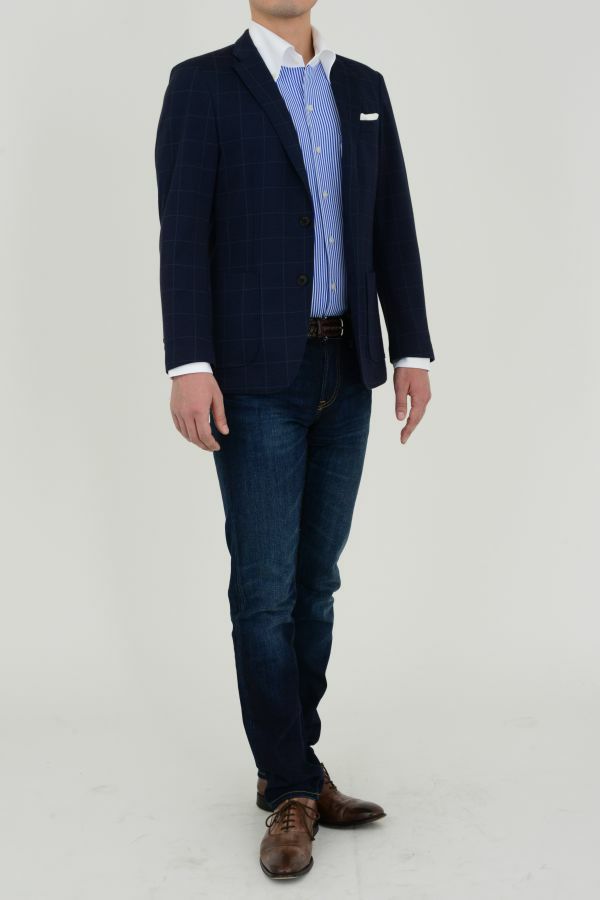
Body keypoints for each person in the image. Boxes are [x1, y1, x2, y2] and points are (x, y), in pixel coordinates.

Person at [155, 0, 433, 880]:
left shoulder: (363, 88)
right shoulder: (204, 86)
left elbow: (391, 224)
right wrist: (188, 362)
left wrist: (412, 348)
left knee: (317, 585)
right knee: (265, 592)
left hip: (347, 369)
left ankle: (294, 769)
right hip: (252, 376)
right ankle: (289, 787)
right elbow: (182, 234)